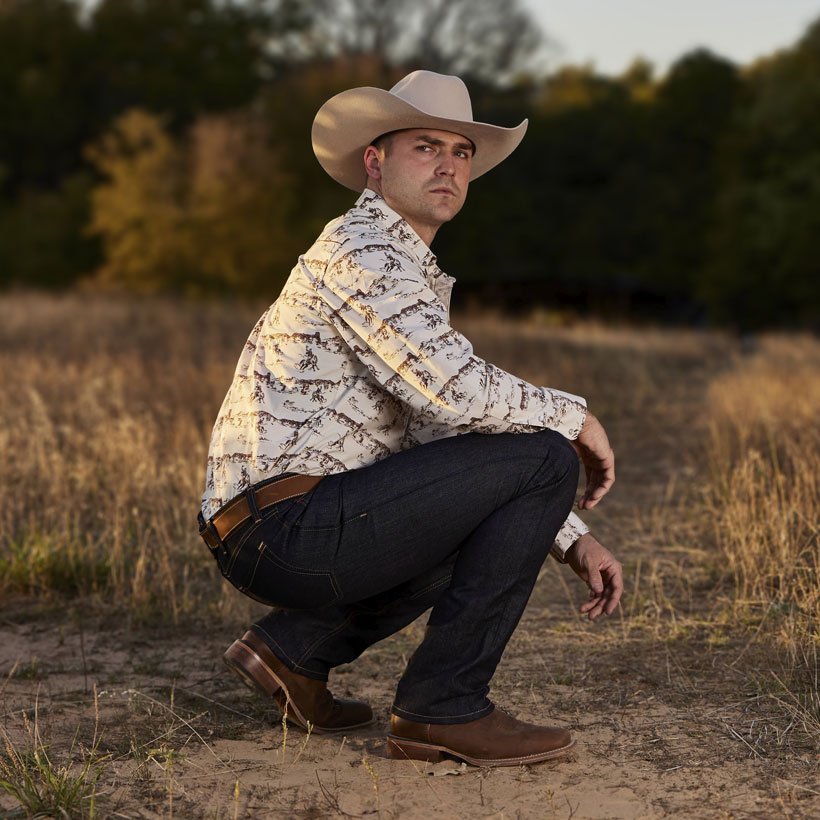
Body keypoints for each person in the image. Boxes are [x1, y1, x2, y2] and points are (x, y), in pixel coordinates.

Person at [198, 70, 622, 768]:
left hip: (288, 522)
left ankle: (294, 653)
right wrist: (574, 418)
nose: (449, 166)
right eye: (427, 146)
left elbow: (447, 436)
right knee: (545, 454)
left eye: (461, 152)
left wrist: (573, 538)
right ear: (375, 161)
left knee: (505, 489)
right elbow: (451, 391)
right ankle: (444, 709)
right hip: (284, 526)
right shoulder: (363, 249)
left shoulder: (403, 263)